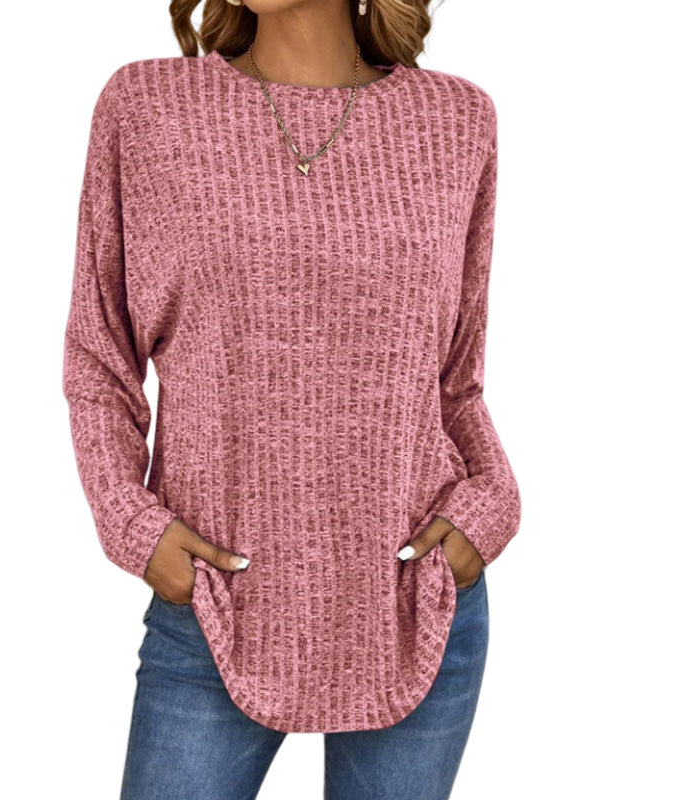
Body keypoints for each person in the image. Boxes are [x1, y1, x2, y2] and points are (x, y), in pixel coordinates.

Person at [62, 0, 521, 797]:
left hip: (415, 602)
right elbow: (99, 357)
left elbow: (455, 381)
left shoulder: (457, 121)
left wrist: (494, 505)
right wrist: (132, 525)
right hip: (215, 608)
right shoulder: (147, 108)